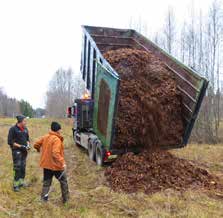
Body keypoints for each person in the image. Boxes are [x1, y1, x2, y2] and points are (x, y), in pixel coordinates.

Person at [34, 121, 69, 203]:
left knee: (46, 183)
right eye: (60, 129)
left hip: (46, 165)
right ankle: (66, 200)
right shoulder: (57, 139)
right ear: (58, 130)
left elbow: (36, 144)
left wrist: (38, 149)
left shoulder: (45, 136)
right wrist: (63, 162)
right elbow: (55, 153)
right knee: (63, 181)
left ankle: (43, 200)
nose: (61, 131)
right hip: (56, 166)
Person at [8, 115, 31, 192]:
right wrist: (20, 146)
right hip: (16, 151)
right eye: (24, 121)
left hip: (24, 151)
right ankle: (15, 185)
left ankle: (21, 182)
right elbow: (10, 142)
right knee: (17, 167)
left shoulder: (25, 129)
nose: (26, 122)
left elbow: (27, 139)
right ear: (20, 122)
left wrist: (27, 145)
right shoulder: (13, 129)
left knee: (23, 167)